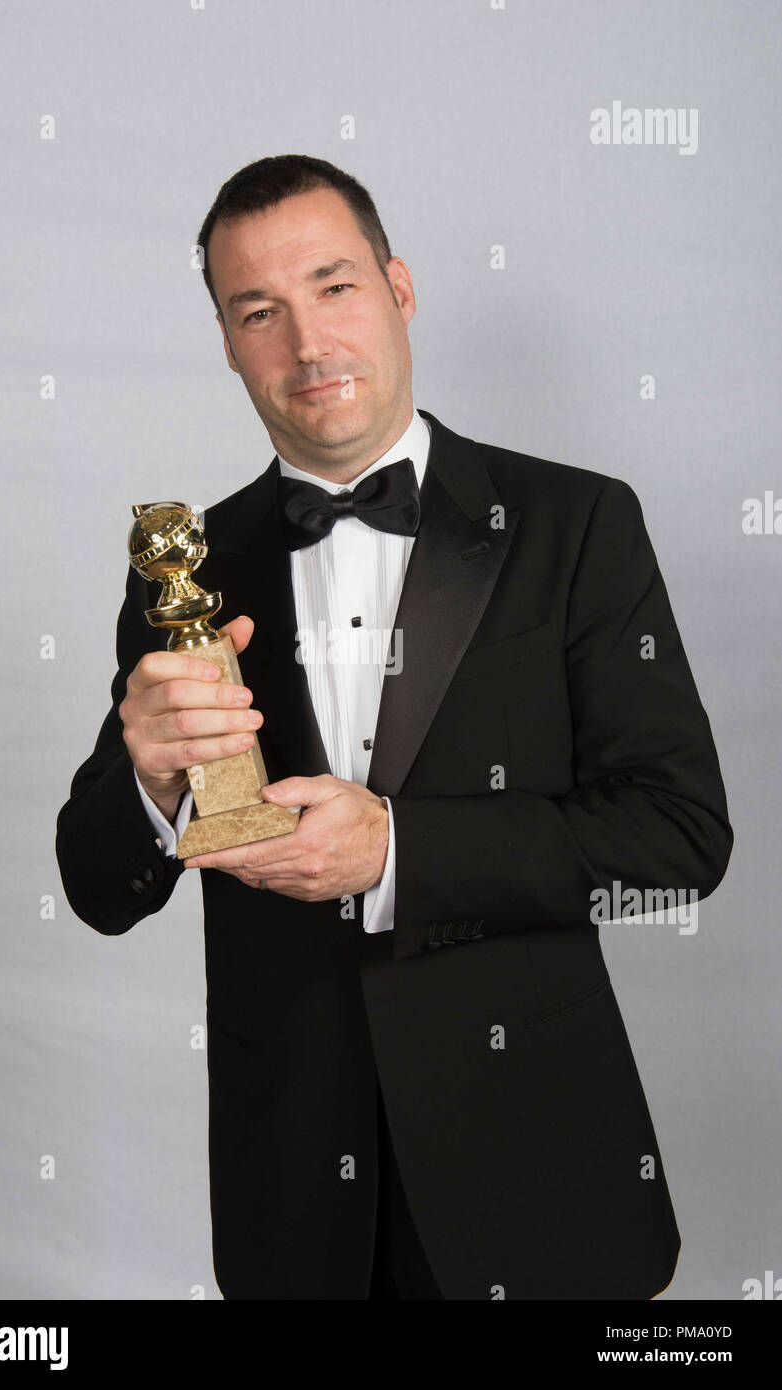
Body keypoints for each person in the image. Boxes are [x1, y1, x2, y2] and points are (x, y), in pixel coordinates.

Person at [55, 154, 733, 1300]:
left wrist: (395, 852)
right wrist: (148, 779)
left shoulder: (576, 524)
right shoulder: (185, 570)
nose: (307, 345)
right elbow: (96, 887)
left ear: (398, 286)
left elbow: (678, 839)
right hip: (299, 1214)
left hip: (540, 1177)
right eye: (257, 311)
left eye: (333, 287)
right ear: (224, 339)